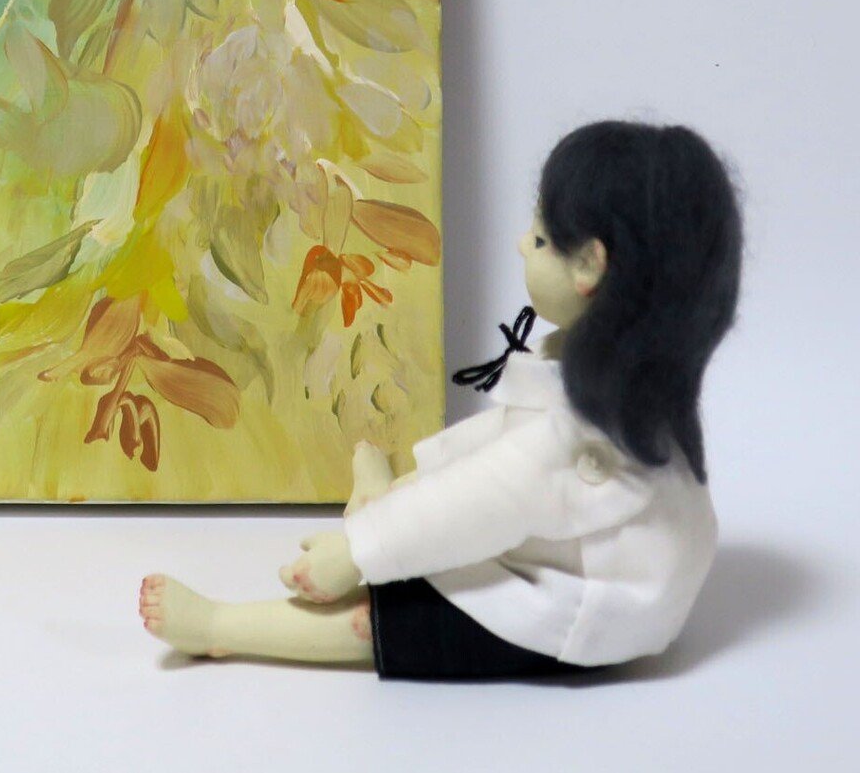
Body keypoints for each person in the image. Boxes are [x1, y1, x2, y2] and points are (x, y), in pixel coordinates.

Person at [137, 119, 744, 679]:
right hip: (596, 552)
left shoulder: (575, 442)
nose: (520, 244)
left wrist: (354, 555)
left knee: (384, 617)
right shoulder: (625, 384)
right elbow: (497, 448)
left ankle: (220, 628)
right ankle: (384, 511)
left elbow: (483, 498)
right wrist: (408, 491)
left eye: (540, 239)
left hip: (590, 610)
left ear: (589, 265)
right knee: (421, 532)